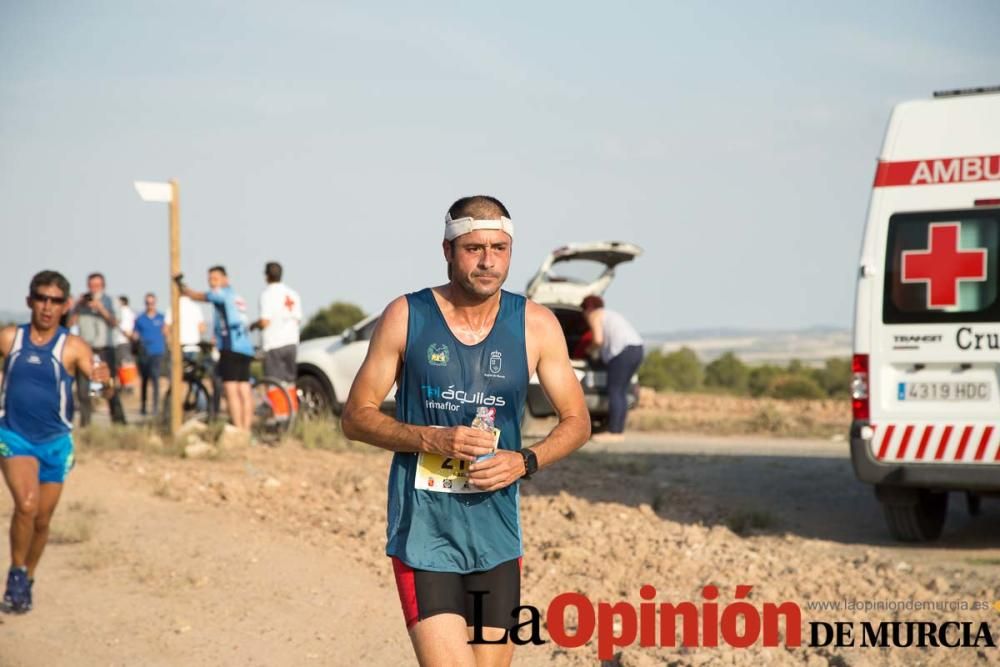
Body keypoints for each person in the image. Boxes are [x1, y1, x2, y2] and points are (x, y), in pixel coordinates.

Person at [341, 195, 591, 667]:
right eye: (474, 248)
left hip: (497, 536)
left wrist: (525, 461)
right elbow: (355, 416)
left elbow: (578, 421)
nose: (488, 261)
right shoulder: (406, 315)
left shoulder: (536, 324)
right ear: (448, 250)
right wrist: (431, 438)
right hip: (424, 535)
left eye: (499, 248)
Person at [0, 270, 111, 613]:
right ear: (29, 301)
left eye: (55, 301)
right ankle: (17, 573)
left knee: (43, 520)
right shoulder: (9, 339)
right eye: (41, 299)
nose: (47, 307)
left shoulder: (74, 347)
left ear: (65, 307)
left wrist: (105, 382)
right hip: (14, 435)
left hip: (56, 443)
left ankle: (29, 577)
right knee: (27, 505)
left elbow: (98, 392)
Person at [176, 267, 254, 431]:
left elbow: (199, 296)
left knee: (231, 390)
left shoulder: (221, 294)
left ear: (225, 279)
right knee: (244, 390)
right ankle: (246, 429)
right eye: (210, 279)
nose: (211, 283)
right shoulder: (237, 297)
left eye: (215, 279)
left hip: (230, 347)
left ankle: (239, 429)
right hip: (245, 347)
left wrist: (182, 287)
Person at [581, 295, 644, 441]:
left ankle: (614, 432)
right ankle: (618, 430)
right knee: (621, 391)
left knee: (615, 390)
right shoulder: (610, 314)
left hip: (623, 352)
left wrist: (588, 351)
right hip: (637, 348)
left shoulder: (594, 315)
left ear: (588, 308)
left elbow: (597, 340)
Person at [68, 272, 126, 425]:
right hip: (85, 350)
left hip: (105, 348)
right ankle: (86, 424)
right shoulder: (82, 304)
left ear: (103, 286)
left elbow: (115, 323)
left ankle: (119, 422)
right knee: (83, 390)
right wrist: (77, 307)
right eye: (91, 286)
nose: (93, 289)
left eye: (97, 286)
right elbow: (69, 324)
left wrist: (100, 308)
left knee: (110, 388)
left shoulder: (111, 301)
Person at [251, 261, 302, 414]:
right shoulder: (292, 294)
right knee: (290, 382)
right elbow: (298, 319)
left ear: (267, 276)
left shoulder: (267, 294)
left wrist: (253, 326)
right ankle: (292, 413)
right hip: (292, 343)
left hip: (274, 343)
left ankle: (281, 416)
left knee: (273, 383)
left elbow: (265, 321)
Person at [133, 293, 167, 417]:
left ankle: (155, 406)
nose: (150, 305)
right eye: (148, 303)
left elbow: (167, 332)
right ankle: (143, 405)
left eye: (152, 303)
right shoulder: (140, 319)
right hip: (144, 353)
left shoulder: (162, 317)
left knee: (155, 378)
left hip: (157, 352)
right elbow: (135, 334)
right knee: (145, 380)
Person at [165, 294, 207, 361]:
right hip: (194, 346)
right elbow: (202, 329)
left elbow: (166, 330)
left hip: (177, 347)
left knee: (177, 370)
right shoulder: (196, 307)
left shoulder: (172, 308)